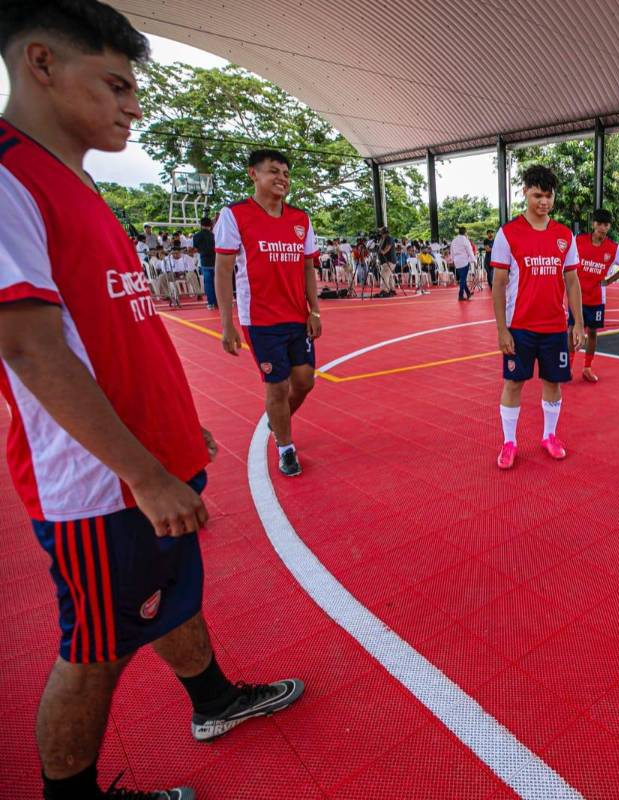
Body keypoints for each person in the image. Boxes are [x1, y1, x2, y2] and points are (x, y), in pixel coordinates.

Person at [0, 5, 304, 799]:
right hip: (98, 486)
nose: (134, 104)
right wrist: (141, 472)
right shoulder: (6, 179)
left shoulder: (75, 185)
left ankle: (213, 700)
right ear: (40, 63)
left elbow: (115, 327)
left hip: (145, 458)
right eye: (116, 83)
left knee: (167, 600)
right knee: (93, 650)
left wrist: (172, 429)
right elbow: (30, 350)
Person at [214, 148, 321, 478]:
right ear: (253, 174)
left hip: (296, 315)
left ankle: (278, 422)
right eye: (274, 171)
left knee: (304, 382)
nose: (282, 179)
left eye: (286, 174)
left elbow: (307, 268)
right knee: (276, 387)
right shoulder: (234, 215)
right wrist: (227, 323)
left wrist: (314, 310)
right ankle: (285, 447)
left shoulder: (300, 219)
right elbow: (223, 269)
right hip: (260, 320)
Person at [491, 165, 584, 470]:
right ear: (525, 193)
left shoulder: (564, 235)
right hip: (519, 327)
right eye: (537, 195)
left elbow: (572, 281)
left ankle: (549, 435)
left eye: (548, 196)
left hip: (555, 327)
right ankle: (509, 442)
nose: (543, 202)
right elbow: (499, 284)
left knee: (553, 383)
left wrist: (578, 323)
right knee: (513, 383)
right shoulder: (508, 233)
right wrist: (502, 329)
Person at [572, 208, 619, 382]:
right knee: (570, 331)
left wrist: (609, 280)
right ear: (593, 224)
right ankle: (568, 367)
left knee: (593, 333)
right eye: (599, 224)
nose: (602, 228)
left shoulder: (613, 248)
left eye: (606, 225)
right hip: (577, 295)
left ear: (609, 226)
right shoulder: (579, 240)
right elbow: (566, 260)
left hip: (597, 299)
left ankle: (587, 368)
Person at [192, 216, 217, 309]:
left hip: (205, 262)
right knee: (217, 283)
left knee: (208, 283)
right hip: (215, 261)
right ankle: (218, 302)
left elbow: (196, 249)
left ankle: (211, 303)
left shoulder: (196, 236)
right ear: (210, 225)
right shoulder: (214, 235)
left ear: (201, 225)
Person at [450, 225, 476, 300]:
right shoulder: (465, 240)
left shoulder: (454, 240)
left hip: (457, 261)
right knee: (463, 279)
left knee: (462, 278)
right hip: (464, 261)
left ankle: (468, 293)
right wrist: (474, 260)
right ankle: (460, 295)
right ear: (465, 232)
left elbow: (451, 251)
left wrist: (452, 260)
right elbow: (470, 251)